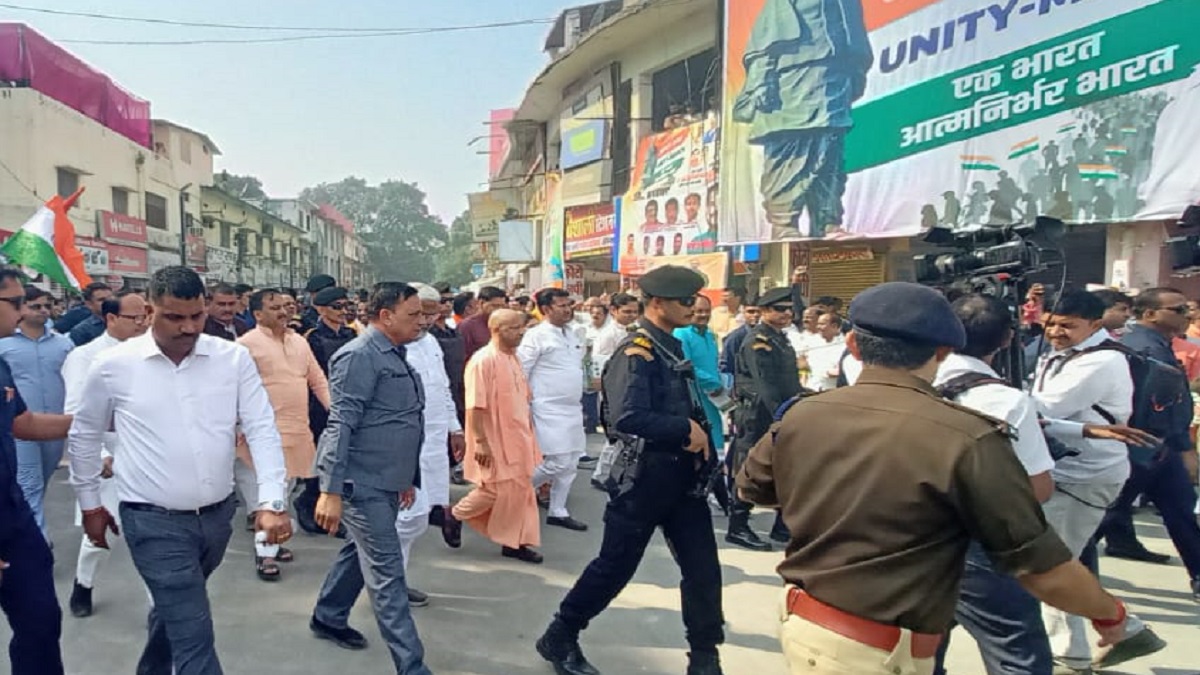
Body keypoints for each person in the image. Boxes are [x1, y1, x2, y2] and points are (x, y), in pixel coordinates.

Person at [736, 282, 1137, 675]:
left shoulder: (803, 414)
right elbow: (1038, 564)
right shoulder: (968, 436)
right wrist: (1110, 614)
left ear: (854, 346)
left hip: (805, 624)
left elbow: (752, 487)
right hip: (878, 648)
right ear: (943, 352)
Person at [68, 265, 291, 675]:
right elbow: (84, 436)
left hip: (216, 517)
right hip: (150, 519)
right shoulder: (113, 365)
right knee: (193, 629)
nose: (188, 327)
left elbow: (261, 428)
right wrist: (90, 505)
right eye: (174, 317)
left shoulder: (232, 359)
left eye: (196, 316)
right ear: (150, 311)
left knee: (177, 610)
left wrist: (271, 500)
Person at [537, 265, 725, 675]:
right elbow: (626, 417)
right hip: (644, 479)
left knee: (703, 571)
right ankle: (561, 634)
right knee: (614, 567)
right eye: (686, 301)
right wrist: (683, 429)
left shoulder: (670, 345)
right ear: (657, 303)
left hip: (683, 481)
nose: (694, 308)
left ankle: (706, 656)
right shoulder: (636, 352)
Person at [1029, 290, 1166, 672]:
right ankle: (1106, 635)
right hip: (1063, 471)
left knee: (1052, 567)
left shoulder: (1102, 361)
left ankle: (1089, 644)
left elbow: (1041, 409)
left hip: (1085, 477)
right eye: (1051, 323)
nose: (1056, 332)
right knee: (1060, 563)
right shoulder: (1059, 355)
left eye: (1067, 326)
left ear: (1094, 324)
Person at [309, 282, 432, 675]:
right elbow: (340, 424)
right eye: (413, 315)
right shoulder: (359, 356)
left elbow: (401, 421)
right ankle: (412, 667)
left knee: (358, 552)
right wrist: (329, 490)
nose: (422, 321)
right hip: (362, 485)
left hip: (388, 480)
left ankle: (328, 614)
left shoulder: (396, 353)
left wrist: (406, 478)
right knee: (387, 574)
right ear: (385, 316)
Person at [732, 0, 872, 238]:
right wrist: (761, 81)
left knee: (830, 155)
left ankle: (828, 222)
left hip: (834, 80)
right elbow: (764, 43)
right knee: (791, 153)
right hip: (793, 81)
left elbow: (855, 41)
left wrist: (855, 74)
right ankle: (784, 224)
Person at [1095, 288, 1200, 602]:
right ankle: (1060, 576)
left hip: (1156, 449)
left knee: (1181, 512)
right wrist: (1184, 447)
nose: (1187, 315)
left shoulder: (1157, 345)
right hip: (1141, 448)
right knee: (1104, 516)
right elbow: (1158, 406)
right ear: (1151, 314)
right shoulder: (1142, 349)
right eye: (1178, 309)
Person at [0, 267, 74, 675]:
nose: (23, 311)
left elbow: (21, 422)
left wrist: (92, 422)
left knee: (41, 620)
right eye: (15, 303)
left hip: (13, 518)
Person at [61, 290, 149, 618]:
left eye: (146, 316)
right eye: (135, 318)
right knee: (103, 532)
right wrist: (98, 454)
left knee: (157, 536)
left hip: (148, 453)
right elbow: (77, 414)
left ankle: (160, 606)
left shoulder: (152, 352)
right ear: (110, 319)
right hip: (110, 455)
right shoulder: (85, 357)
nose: (143, 323)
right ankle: (83, 584)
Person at [236, 289, 331, 581]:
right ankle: (265, 554)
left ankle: (273, 545)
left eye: (284, 307)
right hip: (260, 432)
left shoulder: (299, 341)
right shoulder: (245, 345)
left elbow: (317, 380)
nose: (283, 312)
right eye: (274, 307)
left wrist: (337, 413)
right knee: (266, 495)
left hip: (296, 429)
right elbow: (232, 390)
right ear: (257, 315)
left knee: (285, 489)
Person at [452, 309, 545, 563]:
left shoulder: (512, 358)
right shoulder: (484, 361)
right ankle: (455, 514)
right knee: (495, 490)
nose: (521, 332)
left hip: (519, 436)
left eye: (522, 327)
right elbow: (475, 406)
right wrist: (480, 442)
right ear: (496, 330)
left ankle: (515, 543)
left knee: (522, 491)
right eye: (514, 328)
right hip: (493, 439)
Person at [395, 284, 465, 579]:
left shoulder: (431, 343)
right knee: (404, 519)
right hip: (405, 446)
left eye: (429, 314)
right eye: (418, 314)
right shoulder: (392, 349)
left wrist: (455, 428)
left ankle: (395, 580)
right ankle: (389, 584)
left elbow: (442, 388)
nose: (424, 320)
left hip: (435, 441)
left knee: (419, 518)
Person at [728, 287, 802, 550]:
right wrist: (782, 417)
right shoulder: (758, 341)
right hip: (759, 416)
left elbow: (789, 382)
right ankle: (737, 526)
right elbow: (766, 387)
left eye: (789, 309)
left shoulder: (780, 339)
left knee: (787, 469)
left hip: (782, 411)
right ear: (764, 312)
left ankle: (783, 527)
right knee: (751, 469)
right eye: (780, 309)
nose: (786, 314)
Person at [0, 285, 73, 539]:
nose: (42, 311)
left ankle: (25, 528)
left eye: (46, 305)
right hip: (19, 425)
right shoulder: (5, 345)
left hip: (52, 425)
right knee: (29, 483)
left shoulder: (64, 344)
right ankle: (39, 541)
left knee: (40, 482)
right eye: (35, 306)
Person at [521, 288, 589, 532]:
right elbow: (522, 371)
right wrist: (523, 406)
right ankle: (516, 492)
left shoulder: (573, 333)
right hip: (546, 407)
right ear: (546, 309)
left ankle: (558, 510)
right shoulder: (535, 336)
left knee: (571, 462)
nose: (568, 309)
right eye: (562, 305)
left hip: (572, 406)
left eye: (569, 304)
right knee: (557, 461)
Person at [299, 286, 359, 534]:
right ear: (321, 309)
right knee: (322, 456)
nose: (343, 312)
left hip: (349, 400)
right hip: (320, 406)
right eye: (337, 307)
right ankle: (308, 504)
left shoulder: (351, 334)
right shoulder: (311, 337)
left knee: (343, 455)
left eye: (346, 306)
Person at [590, 293, 642, 489]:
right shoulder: (608, 334)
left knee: (624, 435)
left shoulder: (636, 330)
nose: (631, 315)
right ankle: (602, 475)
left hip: (630, 387)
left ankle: (604, 473)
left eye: (635, 312)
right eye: (627, 312)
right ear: (614, 311)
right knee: (617, 433)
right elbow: (599, 365)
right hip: (613, 390)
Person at [674, 295, 726, 459]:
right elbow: (687, 366)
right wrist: (714, 383)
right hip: (693, 396)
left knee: (716, 439)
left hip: (714, 396)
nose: (704, 315)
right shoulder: (682, 333)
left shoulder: (710, 335)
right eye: (699, 311)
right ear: (690, 311)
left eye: (707, 311)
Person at [459, 286, 508, 362]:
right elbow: (463, 356)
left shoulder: (504, 323)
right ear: (481, 303)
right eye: (495, 306)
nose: (499, 310)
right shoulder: (467, 326)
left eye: (502, 306)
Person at [63, 281, 114, 346]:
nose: (109, 302)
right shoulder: (81, 331)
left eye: (111, 298)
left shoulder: (126, 321)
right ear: (89, 304)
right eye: (101, 300)